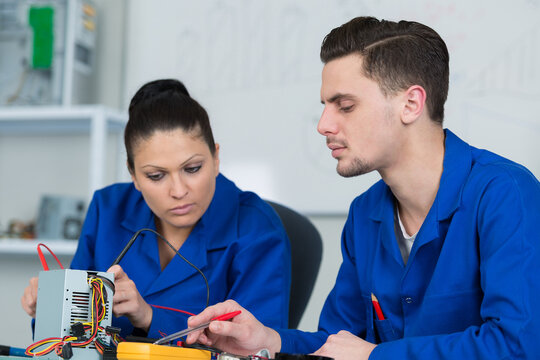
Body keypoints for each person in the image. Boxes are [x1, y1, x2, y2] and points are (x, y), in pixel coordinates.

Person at [184, 16, 540, 359]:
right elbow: (339, 344)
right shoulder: (364, 213)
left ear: (411, 104)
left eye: (346, 106)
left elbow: (518, 346)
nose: (324, 124)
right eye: (325, 106)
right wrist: (269, 340)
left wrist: (377, 356)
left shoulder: (505, 195)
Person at [21, 79, 291, 339]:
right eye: (155, 176)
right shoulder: (108, 209)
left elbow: (256, 349)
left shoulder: (258, 229)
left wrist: (151, 317)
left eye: (193, 168)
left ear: (216, 157)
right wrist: (49, 308)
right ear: (133, 174)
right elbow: (70, 336)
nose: (178, 190)